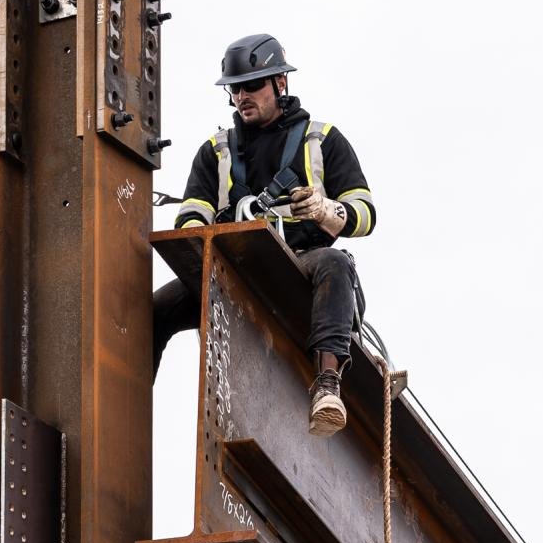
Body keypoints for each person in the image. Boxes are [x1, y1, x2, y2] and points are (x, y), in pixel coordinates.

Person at [153, 34, 378, 436]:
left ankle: (327, 385)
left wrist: (328, 212)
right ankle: (133, 394)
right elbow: (191, 214)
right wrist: (203, 240)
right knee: (153, 310)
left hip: (300, 261)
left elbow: (364, 214)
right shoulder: (216, 151)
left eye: (252, 86)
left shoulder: (321, 140)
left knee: (336, 263)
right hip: (234, 265)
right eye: (235, 89)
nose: (242, 96)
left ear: (280, 84)